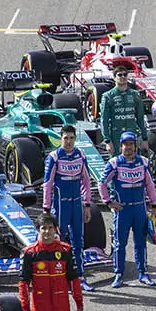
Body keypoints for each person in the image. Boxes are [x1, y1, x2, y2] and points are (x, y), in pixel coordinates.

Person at [99, 132, 156, 287]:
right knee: (120, 244)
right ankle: (118, 274)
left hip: (140, 208)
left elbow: (150, 185)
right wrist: (108, 202)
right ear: (121, 146)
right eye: (125, 144)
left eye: (131, 144)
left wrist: (154, 206)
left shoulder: (143, 162)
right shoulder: (115, 163)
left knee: (141, 242)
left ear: (135, 146)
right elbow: (102, 183)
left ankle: (143, 273)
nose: (128, 147)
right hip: (122, 210)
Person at [45, 123, 96, 291]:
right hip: (60, 205)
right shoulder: (54, 157)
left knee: (78, 241)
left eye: (71, 138)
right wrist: (46, 209)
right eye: (65, 138)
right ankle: (59, 278)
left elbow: (87, 181)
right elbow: (47, 184)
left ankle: (80, 277)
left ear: (75, 139)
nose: (68, 142)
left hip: (76, 204)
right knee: (59, 242)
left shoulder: (80, 154)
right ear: (60, 139)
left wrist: (87, 204)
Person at [99, 66, 148, 148]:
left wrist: (144, 138)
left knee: (132, 159)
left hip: (131, 134)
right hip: (116, 136)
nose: (123, 77)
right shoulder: (107, 96)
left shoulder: (135, 94)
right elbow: (104, 120)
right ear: (114, 78)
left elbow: (140, 118)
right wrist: (107, 140)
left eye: (125, 75)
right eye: (120, 75)